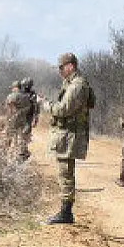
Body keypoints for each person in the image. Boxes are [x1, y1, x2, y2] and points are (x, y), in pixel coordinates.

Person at [38, 52, 94, 224]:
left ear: (70, 66)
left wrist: (45, 104)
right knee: (65, 173)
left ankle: (66, 213)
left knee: (65, 174)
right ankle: (65, 211)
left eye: (61, 67)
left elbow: (63, 109)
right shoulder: (75, 84)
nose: (59, 71)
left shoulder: (77, 85)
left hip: (70, 135)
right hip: (69, 134)